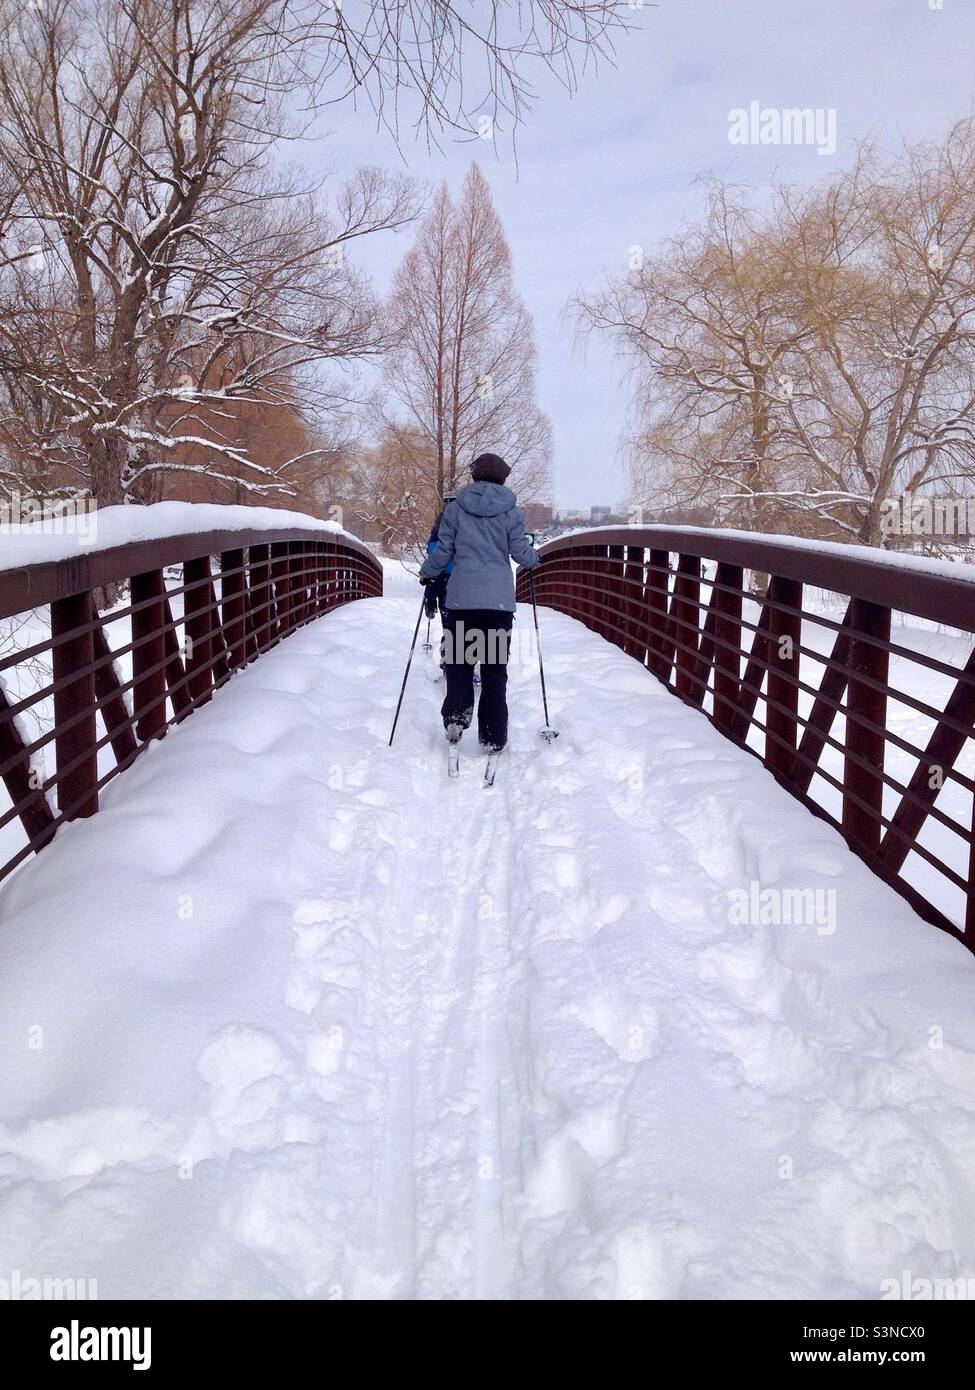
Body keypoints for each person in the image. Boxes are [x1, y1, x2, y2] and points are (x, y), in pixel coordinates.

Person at [419, 452, 540, 753]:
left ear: (473, 476)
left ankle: (456, 717)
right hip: (497, 605)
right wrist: (534, 559)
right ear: (503, 478)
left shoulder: (456, 509)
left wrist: (427, 572)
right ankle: (493, 736)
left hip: (461, 601)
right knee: (494, 670)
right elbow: (520, 553)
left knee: (459, 662)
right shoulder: (511, 512)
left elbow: (444, 550)